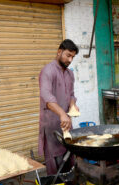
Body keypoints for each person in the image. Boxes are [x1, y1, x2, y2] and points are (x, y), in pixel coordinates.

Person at [38, 39, 79, 175]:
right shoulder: (47, 71)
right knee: (55, 163)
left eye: (73, 57)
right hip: (51, 126)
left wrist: (73, 105)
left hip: (66, 125)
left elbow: (71, 95)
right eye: (68, 55)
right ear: (59, 52)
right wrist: (62, 113)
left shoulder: (70, 74)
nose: (70, 60)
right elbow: (46, 97)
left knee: (69, 158)